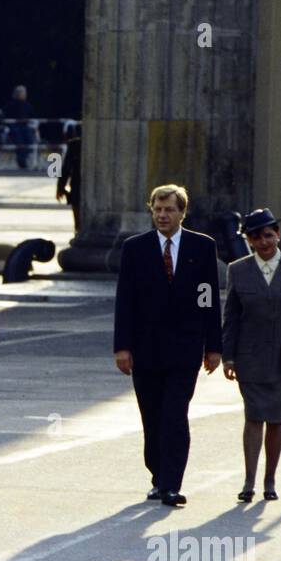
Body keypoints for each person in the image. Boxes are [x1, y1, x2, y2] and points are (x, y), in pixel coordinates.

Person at [113, 184, 222, 508]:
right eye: (158, 210)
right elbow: (125, 301)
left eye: (169, 210)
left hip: (184, 349)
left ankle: (172, 484)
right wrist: (122, 347)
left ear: (182, 213)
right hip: (145, 350)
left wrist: (213, 346)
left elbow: (208, 299)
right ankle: (158, 477)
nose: (162, 215)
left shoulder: (202, 247)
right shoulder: (135, 248)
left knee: (175, 415)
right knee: (152, 417)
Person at [221, 208, 281, 503]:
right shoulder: (238, 270)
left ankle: (270, 479)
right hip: (249, 356)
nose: (263, 242)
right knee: (253, 416)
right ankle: (249, 480)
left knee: (276, 417)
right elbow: (231, 317)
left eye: (268, 235)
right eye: (255, 237)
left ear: (278, 234)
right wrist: (228, 357)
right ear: (248, 241)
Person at [6, 85, 36, 169]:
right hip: (15, 127)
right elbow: (6, 117)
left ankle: (26, 159)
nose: (24, 95)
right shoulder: (11, 105)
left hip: (26, 127)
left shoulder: (28, 105)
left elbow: (33, 117)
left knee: (29, 139)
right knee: (19, 141)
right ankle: (21, 161)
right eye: (22, 93)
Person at [56, 130, 82, 231]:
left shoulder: (75, 145)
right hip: (77, 187)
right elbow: (66, 168)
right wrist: (60, 187)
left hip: (77, 187)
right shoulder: (75, 145)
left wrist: (60, 187)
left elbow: (66, 168)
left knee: (79, 222)